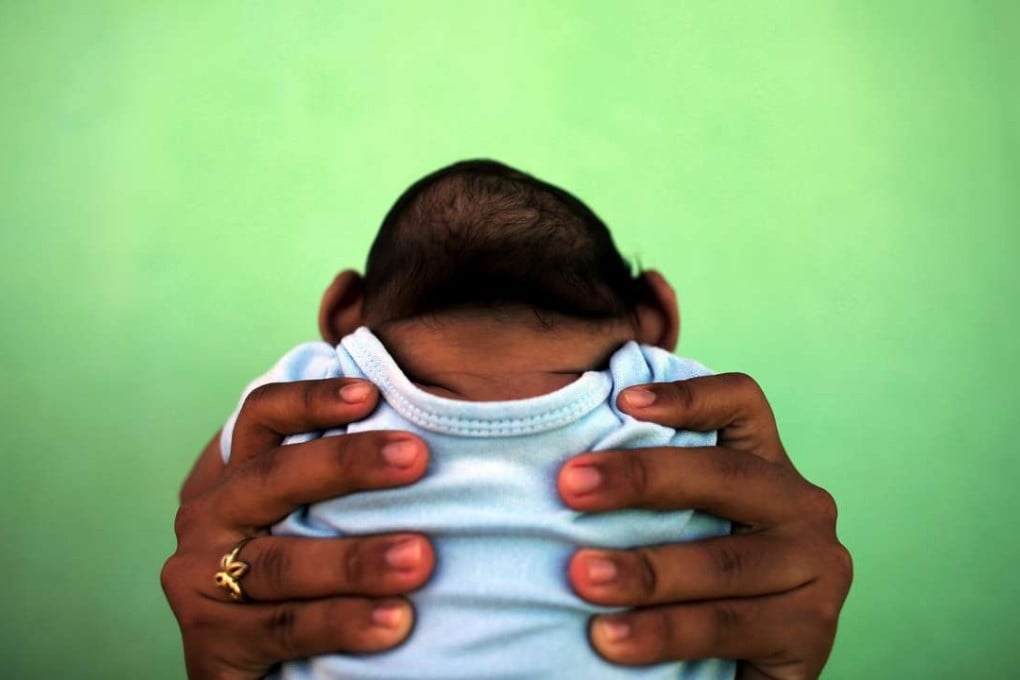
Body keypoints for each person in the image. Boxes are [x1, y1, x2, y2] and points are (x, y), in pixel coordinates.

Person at [162, 163, 853, 679]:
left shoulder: (312, 384)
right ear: (658, 318)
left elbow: (203, 513)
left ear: (346, 313)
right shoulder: (680, 397)